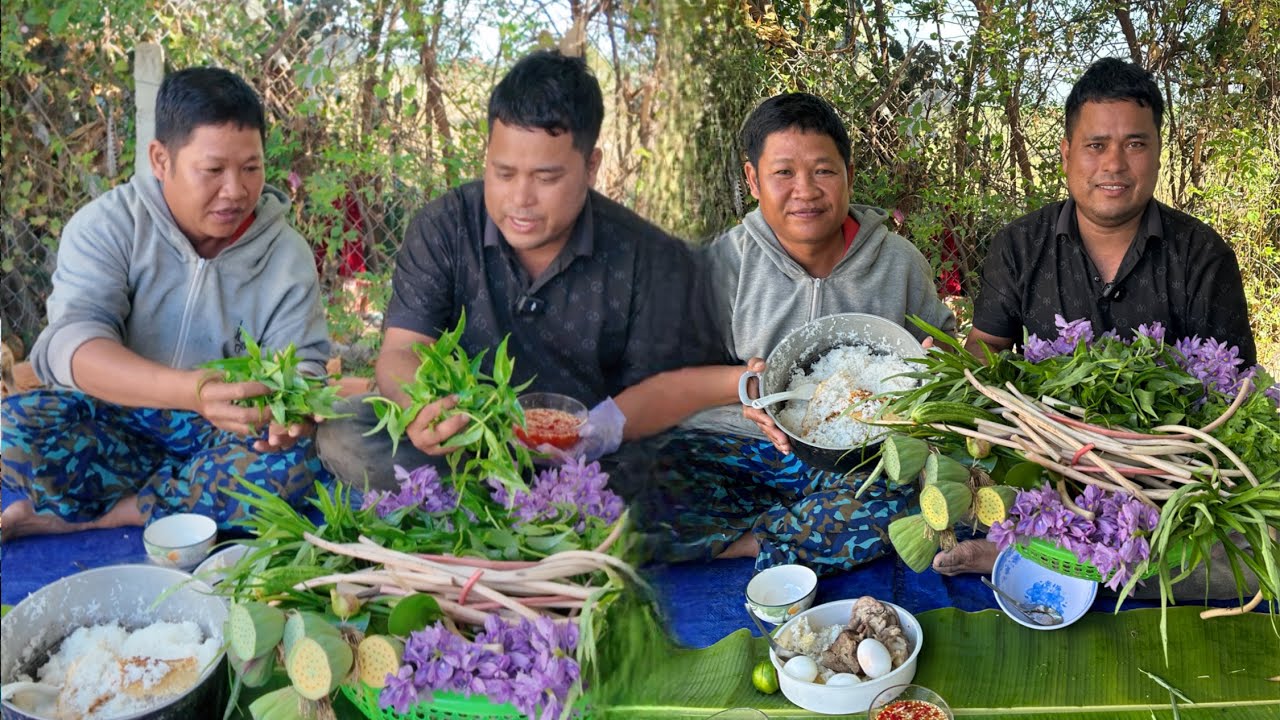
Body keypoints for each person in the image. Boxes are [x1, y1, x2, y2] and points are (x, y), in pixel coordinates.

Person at [316, 50, 703, 490]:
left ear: (590, 167)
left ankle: (531, 501)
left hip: (584, 450)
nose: (520, 199)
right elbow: (402, 351)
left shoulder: (643, 254)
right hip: (465, 441)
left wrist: (589, 436)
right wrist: (420, 407)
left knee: (667, 466)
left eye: (546, 178)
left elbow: (658, 393)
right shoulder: (444, 226)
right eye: (503, 173)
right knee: (349, 431)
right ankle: (499, 497)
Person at [934, 58, 1258, 580]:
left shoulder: (1202, 255)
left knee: (1241, 540)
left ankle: (1045, 556)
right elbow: (986, 348)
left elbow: (1234, 392)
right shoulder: (1019, 246)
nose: (1114, 164)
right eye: (1095, 145)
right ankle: (1044, 543)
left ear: (1156, 154)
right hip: (1045, 457)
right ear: (1066, 154)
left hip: (1167, 476)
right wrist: (952, 376)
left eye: (1135, 143)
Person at [615, 92, 956, 576]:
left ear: (848, 175)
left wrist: (933, 362)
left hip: (857, 461)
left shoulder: (898, 263)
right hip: (740, 446)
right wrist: (741, 386)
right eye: (783, 173)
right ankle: (789, 532)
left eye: (823, 170)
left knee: (914, 499)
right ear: (753, 179)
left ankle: (749, 540)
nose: (806, 190)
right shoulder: (723, 264)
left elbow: (937, 341)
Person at [0, 67, 331, 540]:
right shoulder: (109, 226)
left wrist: (291, 415)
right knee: (11, 433)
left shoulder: (286, 255)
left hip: (227, 435)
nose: (235, 190)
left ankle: (105, 514)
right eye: (213, 170)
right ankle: (184, 502)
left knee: (302, 460)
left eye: (252, 168)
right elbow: (70, 346)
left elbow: (304, 368)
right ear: (160, 159)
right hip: (117, 421)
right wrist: (191, 391)